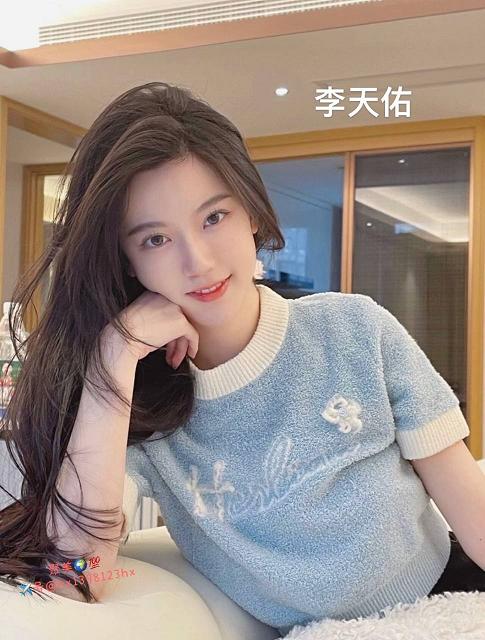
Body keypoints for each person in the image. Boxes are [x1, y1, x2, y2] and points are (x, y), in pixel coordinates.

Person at [0, 81, 482, 636]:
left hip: (448, 597)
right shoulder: (139, 405)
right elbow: (75, 571)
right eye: (155, 239)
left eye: (213, 217)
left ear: (251, 210)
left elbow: (473, 513)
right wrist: (113, 357)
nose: (198, 262)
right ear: (127, 260)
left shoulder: (355, 330)